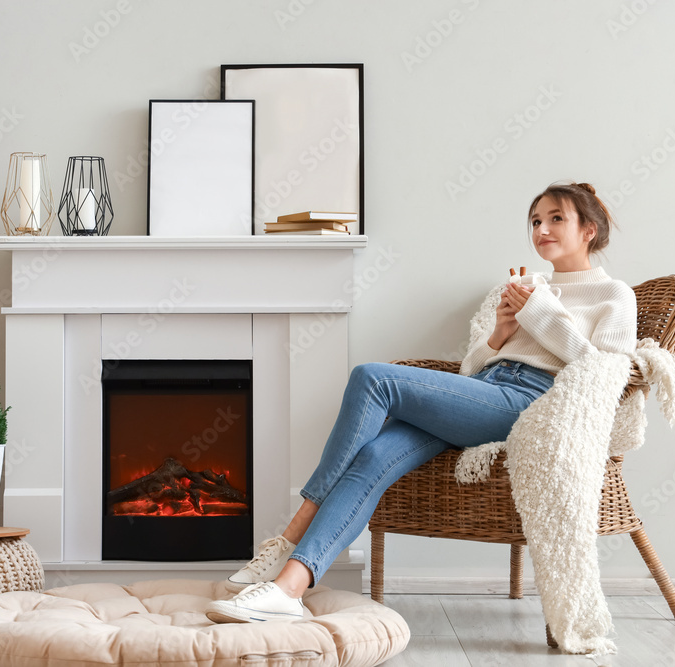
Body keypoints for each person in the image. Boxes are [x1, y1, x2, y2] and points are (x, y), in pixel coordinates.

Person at [205, 182, 638, 624]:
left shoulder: (614, 295)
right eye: (535, 221)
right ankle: (288, 589)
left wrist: (541, 316)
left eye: (556, 219)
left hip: (527, 403)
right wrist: (501, 333)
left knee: (372, 378)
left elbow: (604, 375)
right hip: (486, 390)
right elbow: (471, 371)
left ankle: (290, 535)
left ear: (589, 229)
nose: (542, 228)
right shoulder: (532, 287)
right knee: (372, 457)